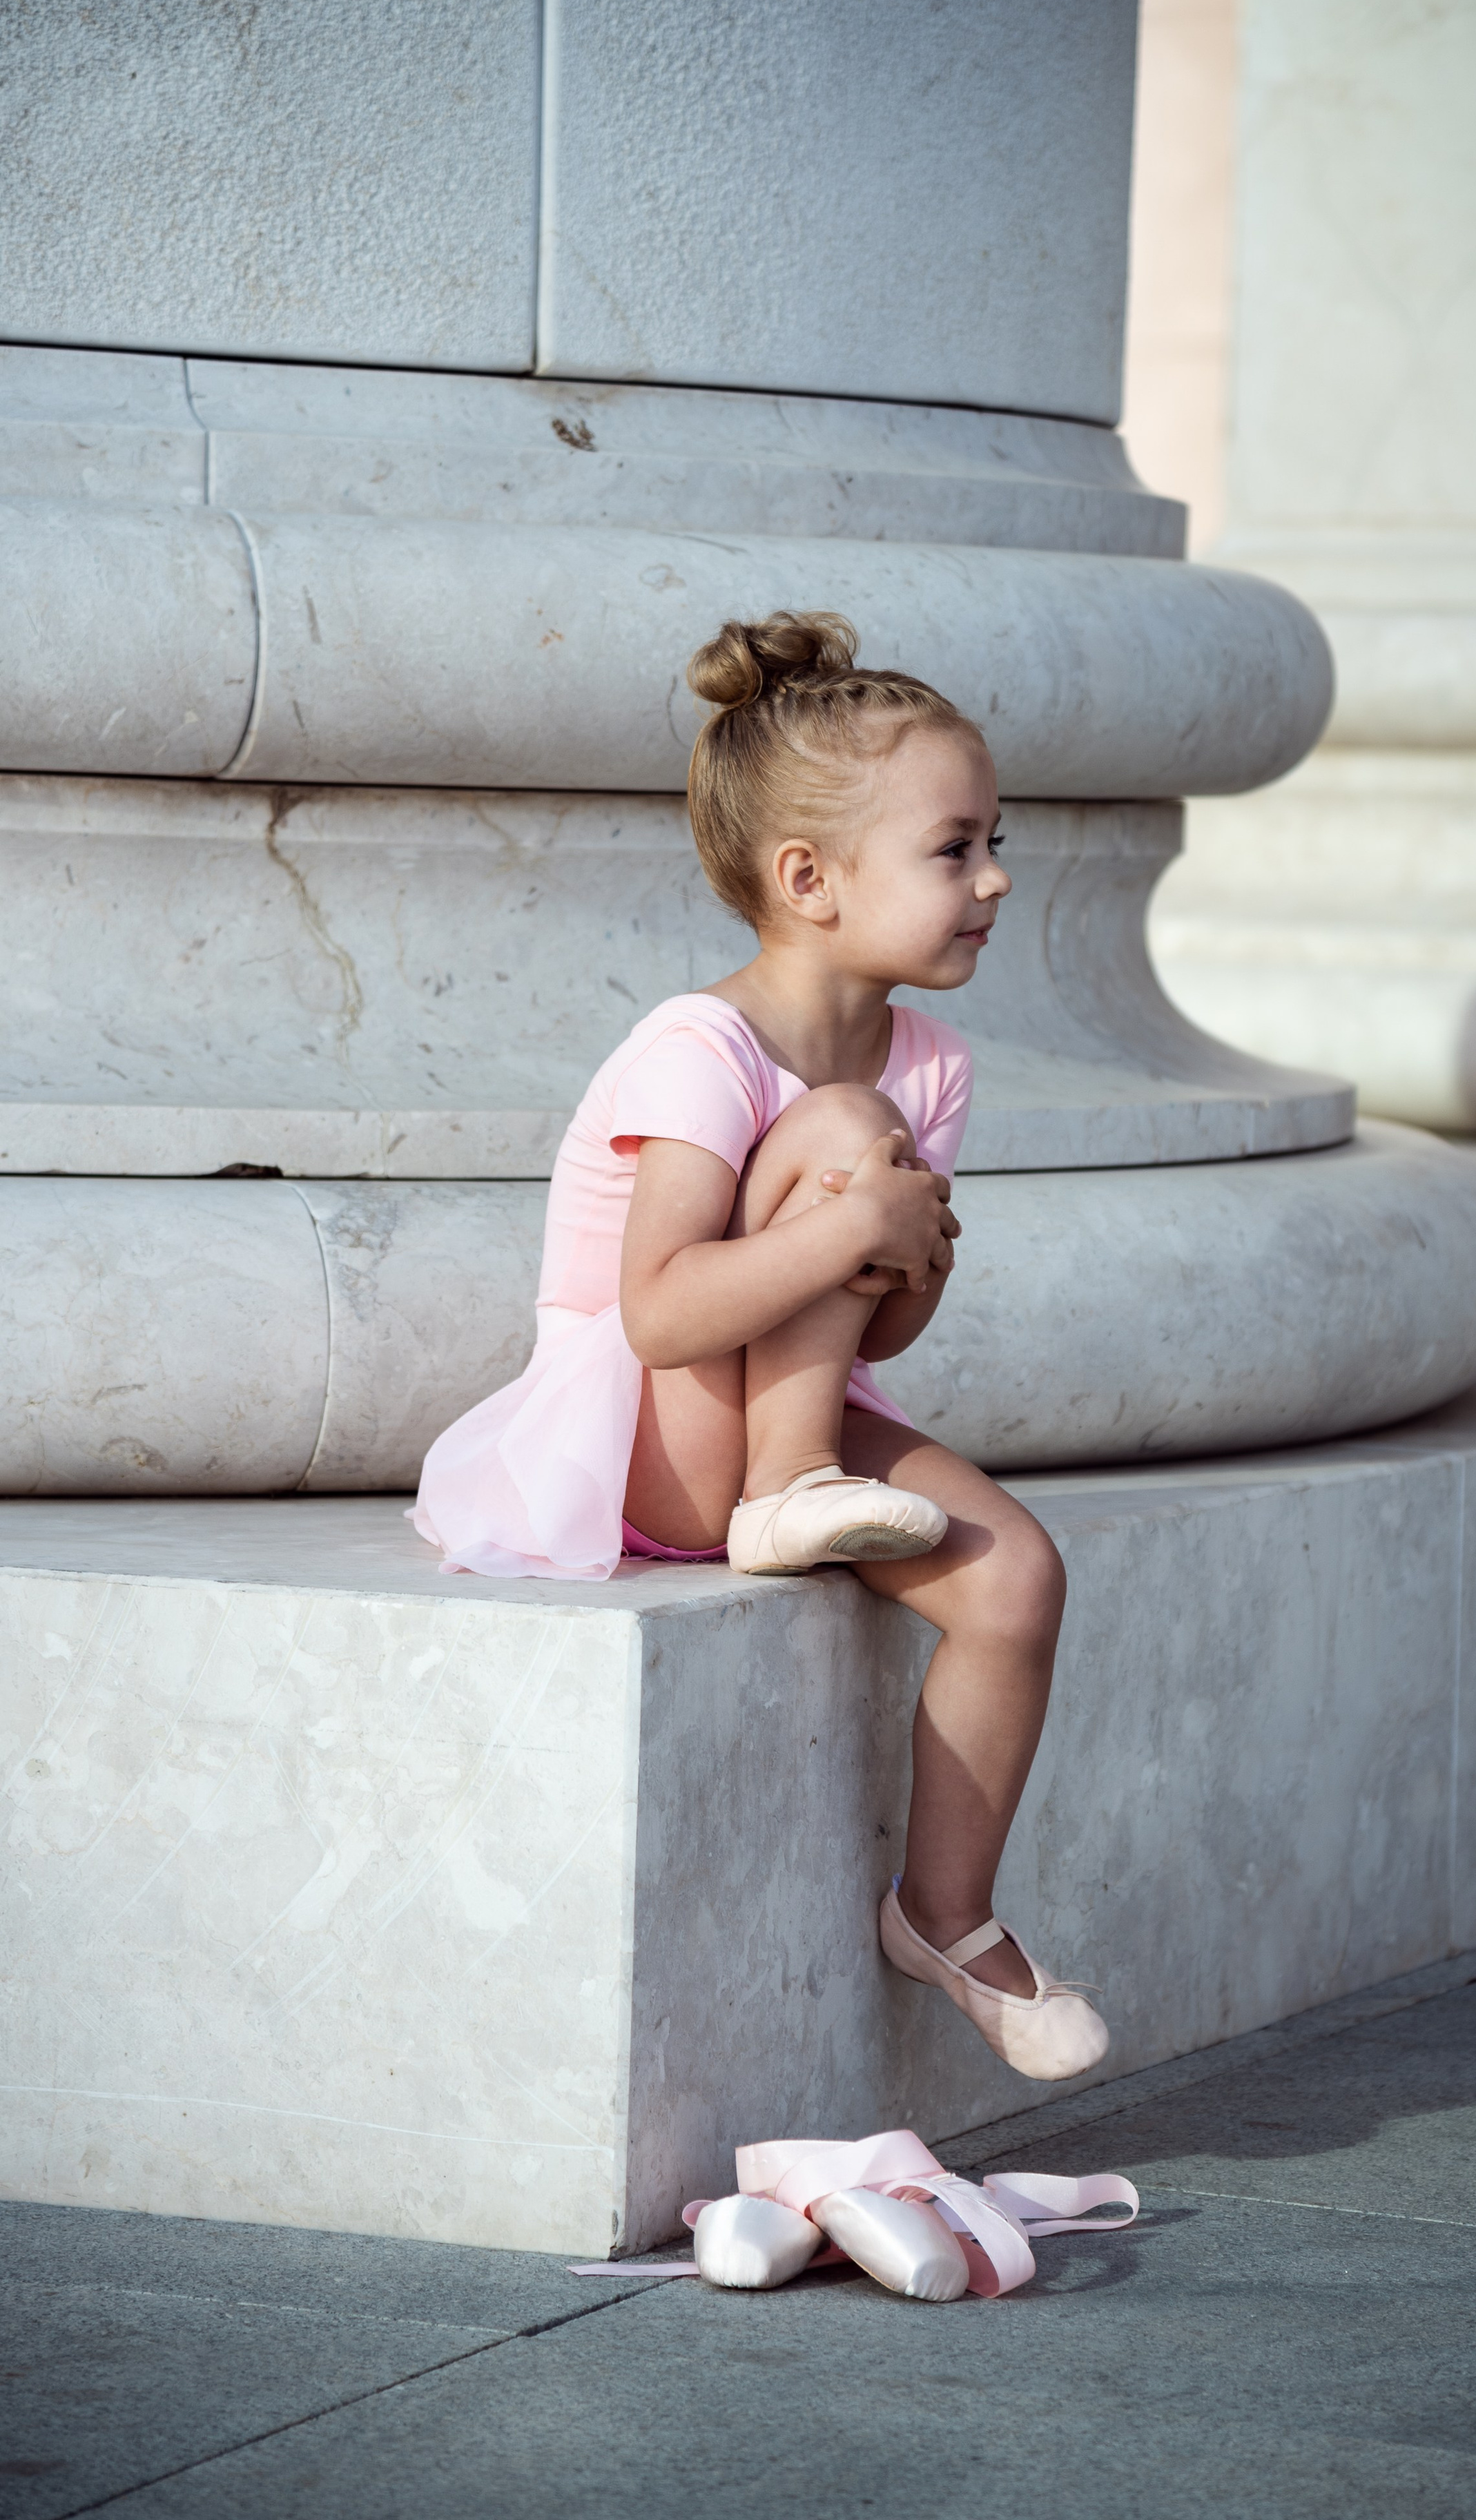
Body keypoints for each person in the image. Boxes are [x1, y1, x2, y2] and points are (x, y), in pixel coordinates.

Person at [412, 612, 1106, 2082]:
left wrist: (905, 1253)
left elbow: (878, 1318)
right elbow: (658, 1308)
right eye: (953, 846)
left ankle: (947, 1915)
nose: (992, 879)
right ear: (809, 879)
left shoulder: (931, 1060)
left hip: (791, 1416)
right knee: (849, 1133)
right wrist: (857, 1209)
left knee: (1017, 1578)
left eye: (995, 841)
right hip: (647, 1439)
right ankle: (788, 1486)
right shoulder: (698, 1048)